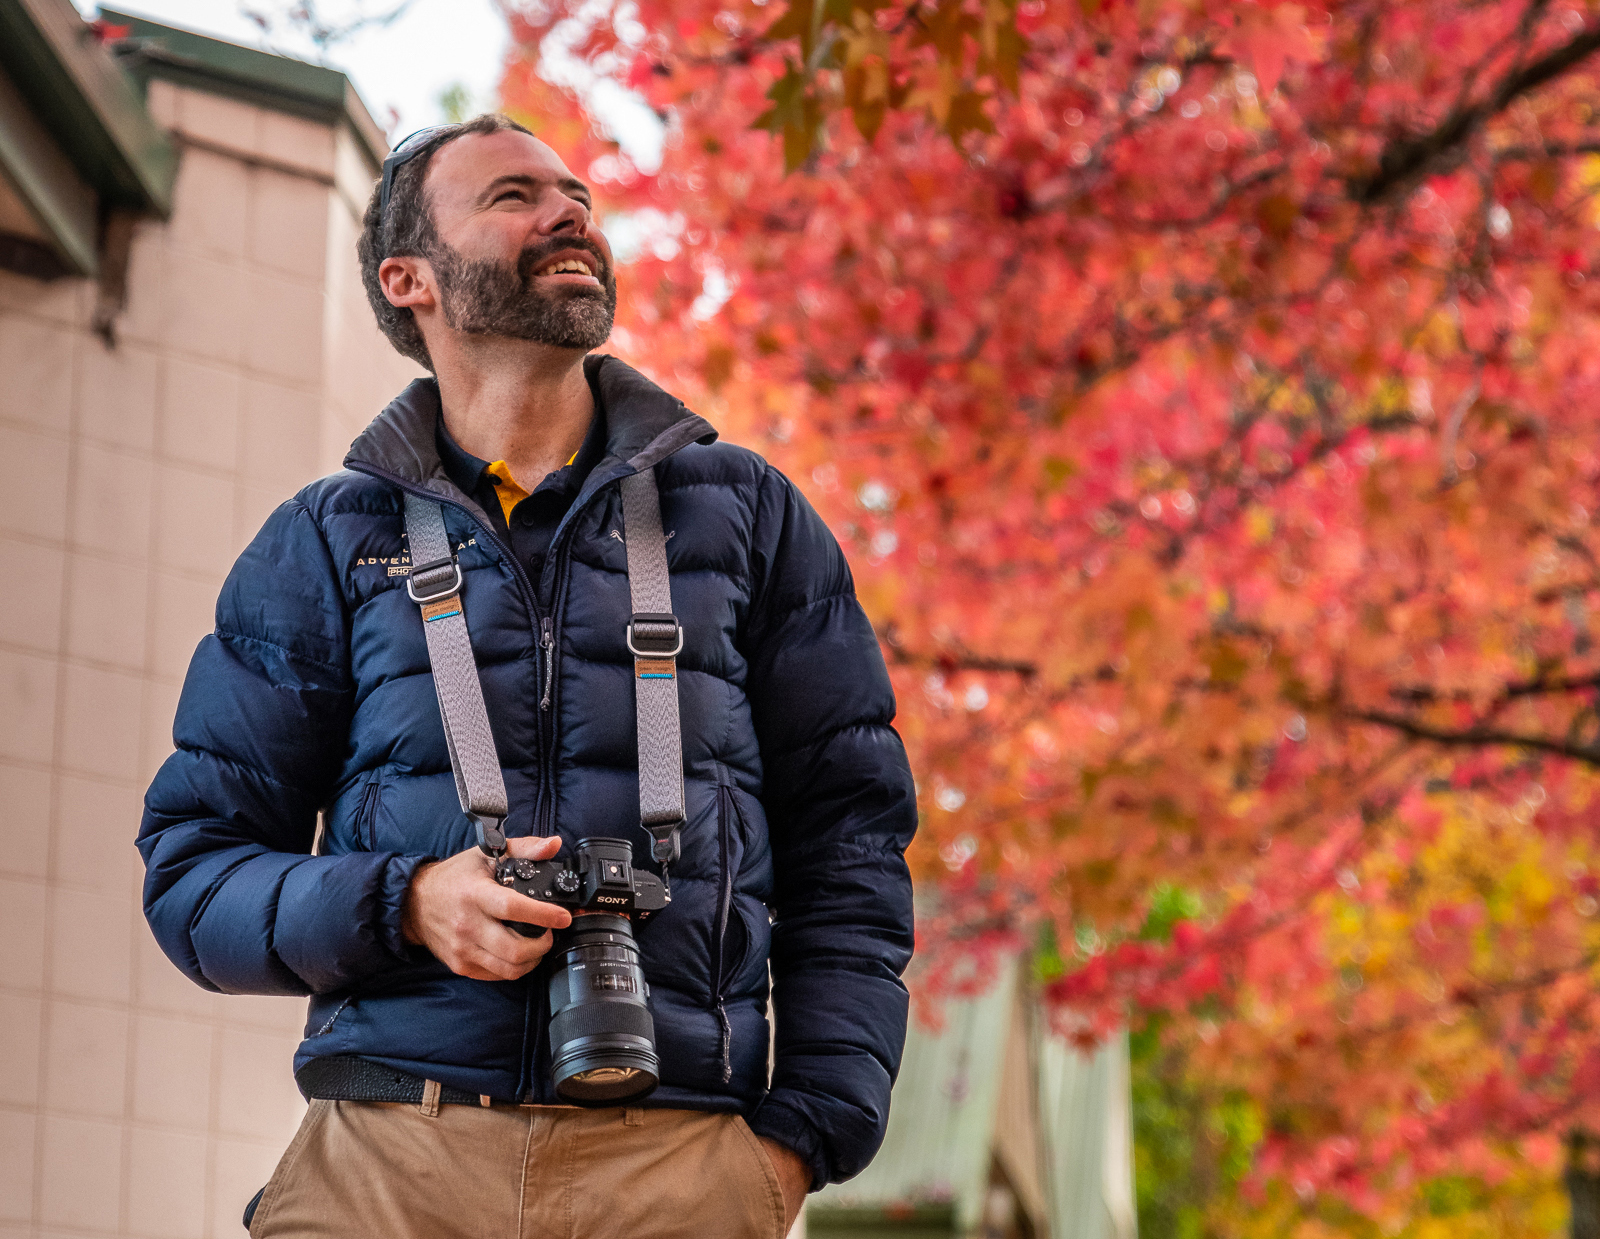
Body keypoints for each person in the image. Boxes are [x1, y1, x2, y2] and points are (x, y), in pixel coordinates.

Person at [137, 112, 917, 1237]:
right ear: (409, 278)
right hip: (387, 1167)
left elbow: (853, 846)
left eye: (578, 198)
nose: (570, 215)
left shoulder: (748, 517)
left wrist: (804, 1139)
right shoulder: (323, 541)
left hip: (681, 1170)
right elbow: (193, 876)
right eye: (514, 196)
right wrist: (406, 902)